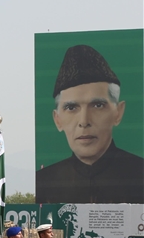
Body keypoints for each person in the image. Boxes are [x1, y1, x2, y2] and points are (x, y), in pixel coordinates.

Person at [36, 44, 144, 204]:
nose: (84, 121)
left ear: (118, 112)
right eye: (71, 107)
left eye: (98, 105)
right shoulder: (44, 182)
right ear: (57, 119)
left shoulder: (139, 174)